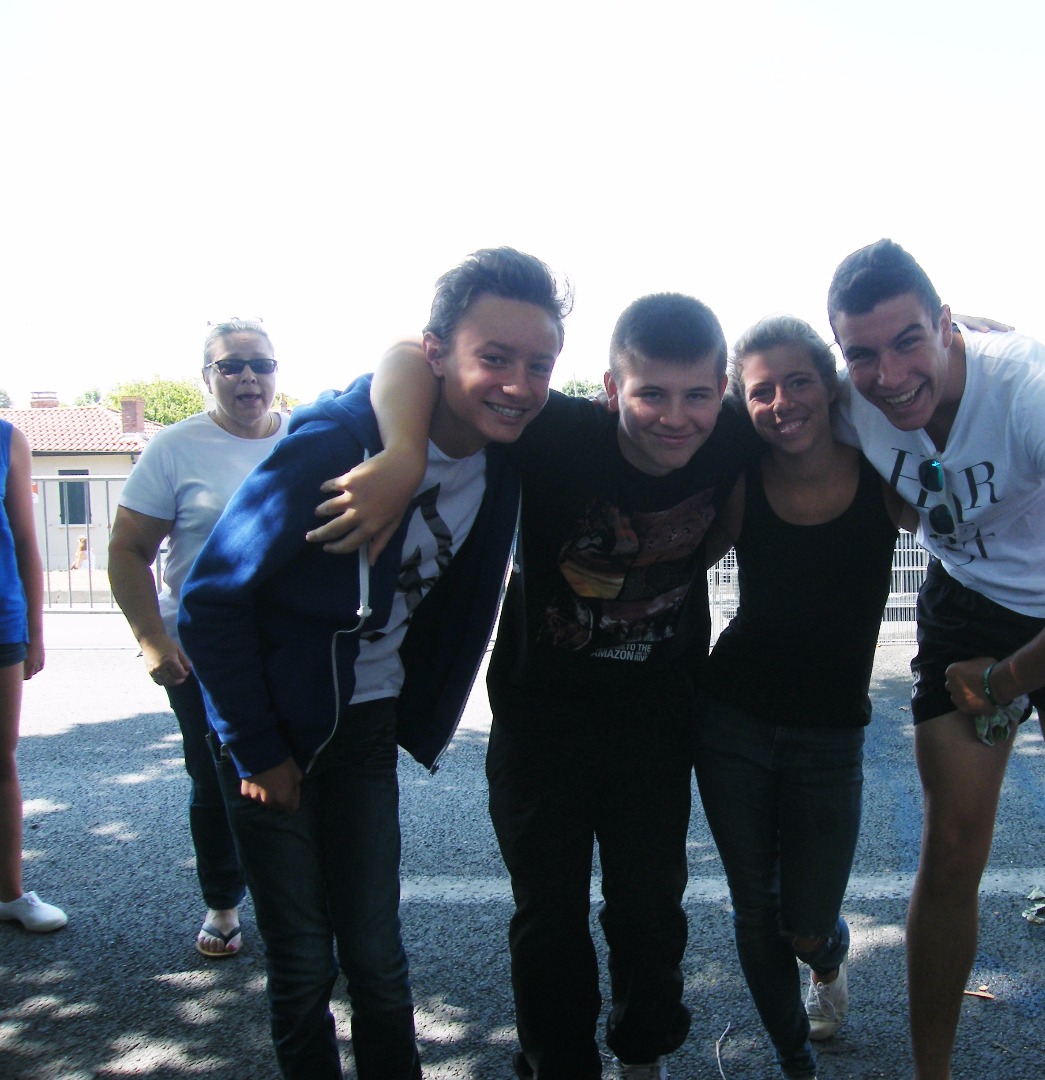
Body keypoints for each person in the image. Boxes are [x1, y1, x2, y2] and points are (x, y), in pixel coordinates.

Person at [316, 293, 755, 1079]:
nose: (675, 418)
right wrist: (404, 454)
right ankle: (559, 1065)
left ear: (721, 390)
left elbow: (834, 401)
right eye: (650, 394)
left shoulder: (733, 434)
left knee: (650, 907)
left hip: (655, 722)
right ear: (611, 389)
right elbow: (414, 354)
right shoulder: (559, 432)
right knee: (548, 915)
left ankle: (643, 1053)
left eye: (696, 395)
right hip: (541, 718)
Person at [178, 246, 569, 1079]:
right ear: (439, 355)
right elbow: (208, 603)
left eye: (539, 365)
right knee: (301, 965)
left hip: (365, 727)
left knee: (379, 961)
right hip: (273, 730)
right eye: (494, 358)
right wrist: (257, 749)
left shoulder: (504, 458)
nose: (518, 384)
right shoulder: (338, 445)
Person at [827, 239, 1045, 1080]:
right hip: (968, 606)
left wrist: (1006, 683)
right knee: (950, 850)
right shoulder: (848, 396)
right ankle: (931, 1072)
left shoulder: (1034, 386)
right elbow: (753, 400)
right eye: (862, 353)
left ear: (945, 325)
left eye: (908, 342)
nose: (889, 375)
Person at [697, 316, 915, 1080]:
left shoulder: (884, 476)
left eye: (798, 383)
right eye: (762, 392)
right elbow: (672, 564)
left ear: (831, 386)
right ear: (742, 402)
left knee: (805, 922)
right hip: (732, 722)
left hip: (830, 737)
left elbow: (970, 495)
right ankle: (794, 1058)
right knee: (754, 908)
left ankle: (828, 954)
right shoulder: (743, 483)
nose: (782, 403)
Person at [109, 317, 288, 958]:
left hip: (292, 648)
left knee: (301, 774)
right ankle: (224, 901)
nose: (248, 377)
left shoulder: (307, 437)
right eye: (230, 366)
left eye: (261, 364)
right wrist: (153, 641)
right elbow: (128, 551)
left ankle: (302, 906)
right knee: (216, 778)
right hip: (202, 651)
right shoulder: (176, 448)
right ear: (206, 377)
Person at [0, 420, 68, 934]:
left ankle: (10, 894)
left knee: (1, 760)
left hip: (1, 621)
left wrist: (34, 632)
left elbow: (25, 541)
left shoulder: (7, 439)